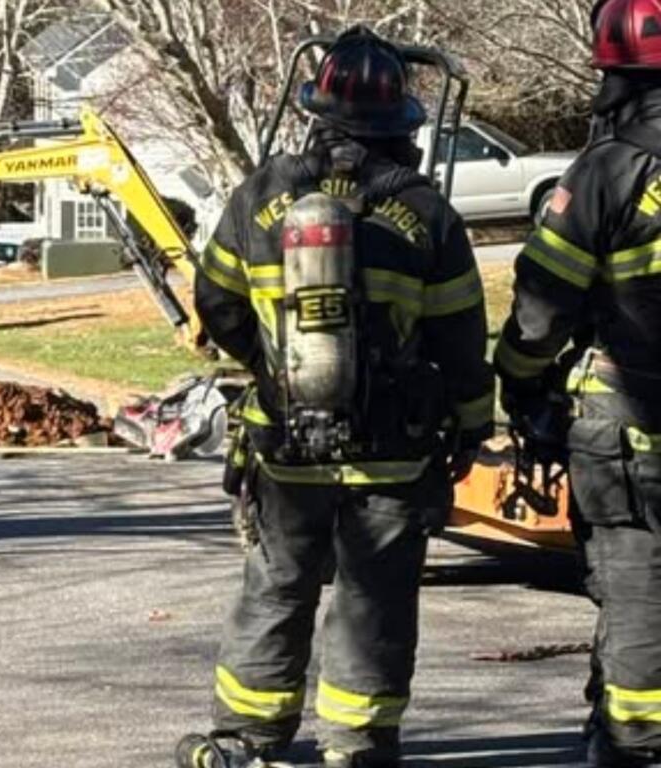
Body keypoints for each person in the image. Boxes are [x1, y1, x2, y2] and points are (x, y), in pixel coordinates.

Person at [178, 27, 492, 768]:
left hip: (286, 446)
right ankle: (357, 743)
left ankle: (245, 736)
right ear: (401, 124)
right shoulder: (427, 212)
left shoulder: (260, 193)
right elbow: (459, 338)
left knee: (278, 585)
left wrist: (269, 363)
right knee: (372, 599)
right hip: (391, 452)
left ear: (313, 110)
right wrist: (472, 425)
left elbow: (214, 304)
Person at [495, 2, 661, 764]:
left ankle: (636, 743)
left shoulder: (607, 170)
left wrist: (523, 387)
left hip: (633, 423)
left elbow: (543, 305)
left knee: (637, 591)